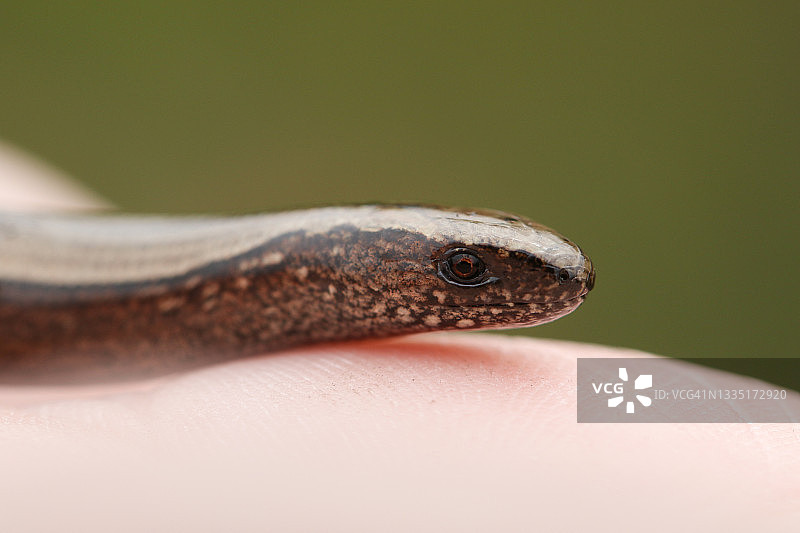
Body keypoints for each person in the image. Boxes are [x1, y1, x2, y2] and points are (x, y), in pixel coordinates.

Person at [0, 144, 797, 531]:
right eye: (462, 268)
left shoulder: (290, 283)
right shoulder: (273, 276)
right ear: (339, 269)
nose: (549, 286)